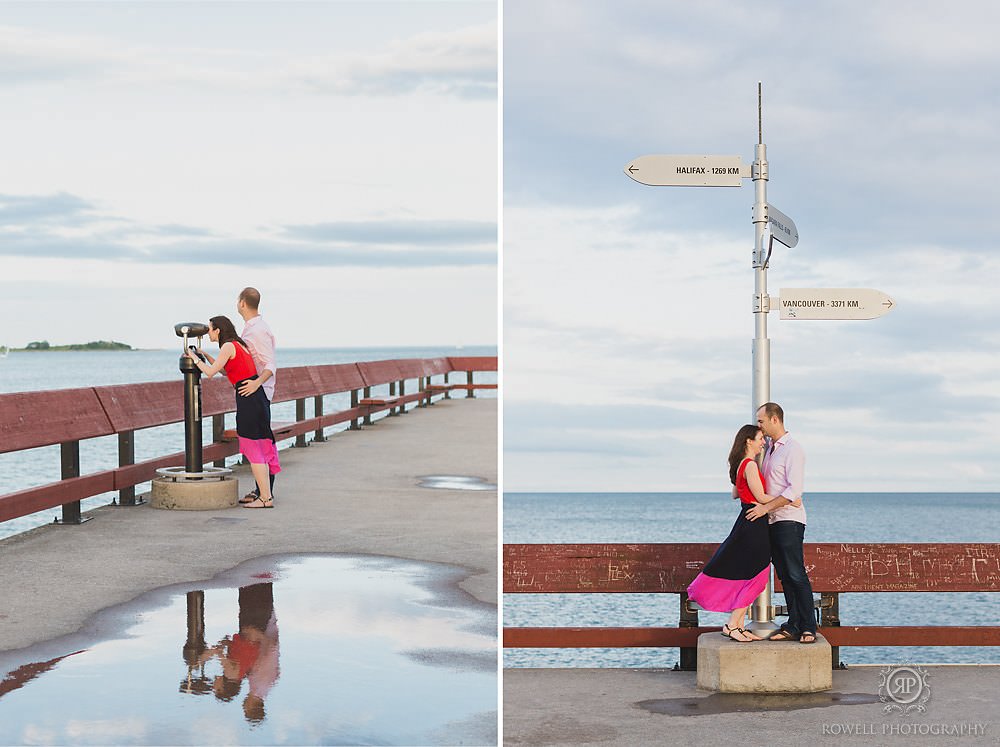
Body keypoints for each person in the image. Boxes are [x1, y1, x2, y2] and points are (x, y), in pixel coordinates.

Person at [686, 424, 789, 642]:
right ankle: (733, 624)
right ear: (748, 441)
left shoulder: (740, 465)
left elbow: (735, 494)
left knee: (751, 574)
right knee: (758, 576)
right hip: (754, 523)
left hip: (747, 520)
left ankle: (738, 625)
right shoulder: (750, 465)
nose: (764, 442)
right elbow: (761, 498)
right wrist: (789, 499)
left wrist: (749, 491)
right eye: (760, 438)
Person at [187, 316, 279, 508]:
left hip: (248, 399)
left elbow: (210, 373)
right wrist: (205, 355)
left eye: (210, 330)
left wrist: (194, 357)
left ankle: (265, 498)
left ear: (218, 330)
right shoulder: (238, 344)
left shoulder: (227, 347)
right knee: (261, 447)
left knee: (254, 449)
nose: (209, 333)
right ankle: (266, 495)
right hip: (257, 397)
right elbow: (226, 371)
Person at [746, 402, 817, 643]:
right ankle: (794, 625)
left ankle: (808, 626)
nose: (759, 426)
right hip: (773, 521)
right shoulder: (770, 450)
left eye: (761, 421)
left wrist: (766, 506)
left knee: (796, 574)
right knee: (785, 576)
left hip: (789, 520)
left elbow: (794, 490)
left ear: (775, 420)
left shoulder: (793, 449)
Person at [236, 287, 278, 505]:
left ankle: (265, 494)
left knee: (260, 442)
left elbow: (270, 364)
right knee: (260, 441)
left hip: (259, 392)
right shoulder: (252, 328)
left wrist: (256, 383)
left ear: (242, 302)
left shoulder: (257, 330)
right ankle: (261, 490)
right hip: (259, 391)